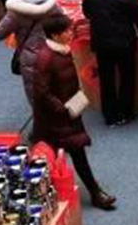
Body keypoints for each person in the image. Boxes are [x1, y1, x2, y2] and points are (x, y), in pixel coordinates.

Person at [32, 14, 116, 210]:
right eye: (67, 31)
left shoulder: (63, 51)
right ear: (55, 35)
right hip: (55, 118)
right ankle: (92, 194)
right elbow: (41, 92)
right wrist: (62, 109)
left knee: (76, 153)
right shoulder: (45, 58)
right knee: (53, 157)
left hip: (69, 112)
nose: (71, 33)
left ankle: (95, 193)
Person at [82, 0, 138, 126]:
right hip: (124, 41)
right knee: (127, 77)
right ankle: (126, 112)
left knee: (106, 79)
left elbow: (87, 12)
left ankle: (110, 115)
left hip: (101, 41)